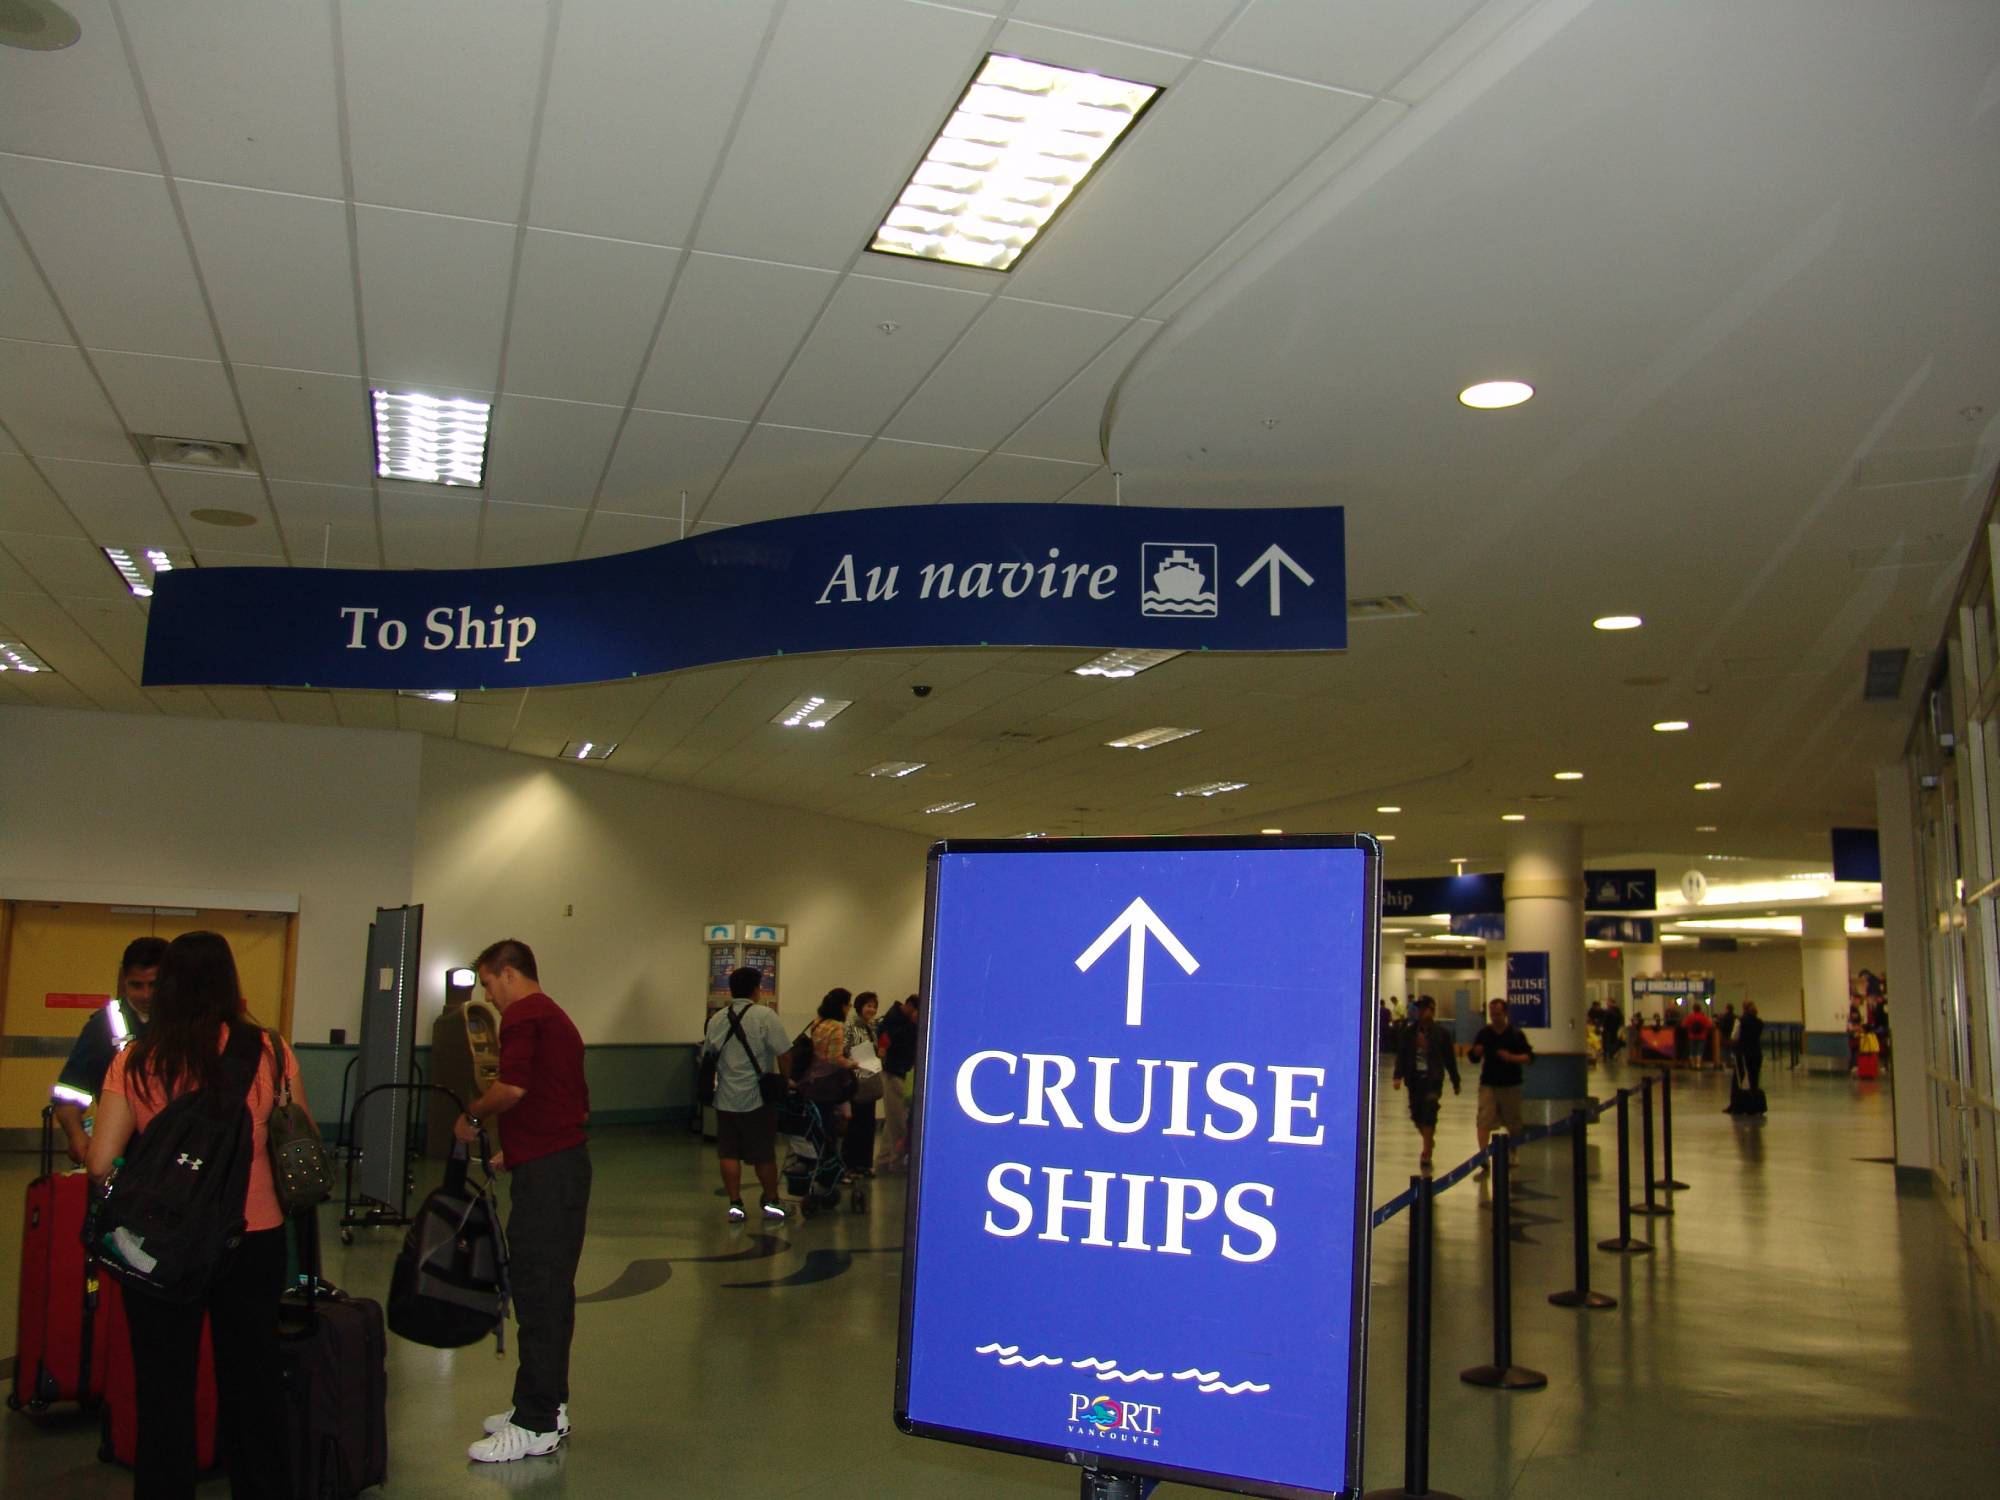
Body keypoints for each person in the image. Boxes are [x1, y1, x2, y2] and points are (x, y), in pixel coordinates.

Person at [86, 930, 302, 1500]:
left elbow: (101, 1159)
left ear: (168, 986)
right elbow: (297, 1144)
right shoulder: (272, 1052)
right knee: (253, 1385)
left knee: (163, 1390)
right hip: (252, 1238)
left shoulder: (136, 1058)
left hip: (163, 1244)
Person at [454, 940, 591, 1464]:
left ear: (507, 973)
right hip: (553, 1164)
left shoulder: (524, 1015)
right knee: (547, 1290)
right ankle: (548, 1406)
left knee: (539, 1292)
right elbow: (558, 1098)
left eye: (488, 984)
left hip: (551, 1179)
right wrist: (520, 1150)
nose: (487, 996)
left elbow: (510, 1089)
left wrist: (471, 1116)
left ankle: (535, 1422)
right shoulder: (552, 1016)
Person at [52, 936, 165, 1165]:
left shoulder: (190, 1025)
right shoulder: (101, 1026)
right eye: (136, 985)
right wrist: (76, 1134)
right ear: (124, 979)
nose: (145, 995)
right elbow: (70, 1091)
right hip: (120, 1153)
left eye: (154, 985)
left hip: (173, 1151)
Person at [701, 965, 791, 1224]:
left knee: (728, 1152)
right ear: (756, 989)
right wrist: (785, 1080)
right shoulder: (765, 1016)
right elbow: (784, 1053)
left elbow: (708, 1055)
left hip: (725, 1098)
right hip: (757, 1099)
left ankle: (735, 1205)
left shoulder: (717, 1019)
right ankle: (772, 1202)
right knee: (763, 1154)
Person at [1391, 997, 1460, 1171]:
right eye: (1419, 1009)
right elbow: (1402, 1055)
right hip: (1414, 1080)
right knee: (1416, 1114)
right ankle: (1428, 1140)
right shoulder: (1409, 1033)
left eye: (1425, 1009)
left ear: (1432, 1010)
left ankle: (1426, 1151)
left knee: (1430, 1110)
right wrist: (1397, 1076)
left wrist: (1455, 1080)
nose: (1422, 1013)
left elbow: (1449, 1059)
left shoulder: (1442, 1034)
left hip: (1433, 1079)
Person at [1467, 997, 1534, 1170]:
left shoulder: (1516, 1035)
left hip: (1511, 1084)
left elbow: (1529, 1057)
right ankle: (1483, 1155)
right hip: (1488, 1083)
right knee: (1484, 1119)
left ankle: (1513, 1153)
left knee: (1513, 1122)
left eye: (1498, 1014)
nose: (1494, 1017)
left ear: (1505, 1013)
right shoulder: (1485, 1033)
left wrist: (1511, 1057)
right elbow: (1473, 1057)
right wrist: (1476, 1052)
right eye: (1492, 1014)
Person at [876, 993, 921, 1173]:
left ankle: (884, 1159)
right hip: (894, 1073)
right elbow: (897, 1043)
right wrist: (913, 1025)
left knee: (892, 1119)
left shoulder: (896, 1019)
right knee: (899, 1122)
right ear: (911, 1008)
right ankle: (896, 1161)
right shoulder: (896, 1022)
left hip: (899, 1072)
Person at [842, 992, 882, 1179]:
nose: (871, 1009)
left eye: (874, 1006)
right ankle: (850, 1164)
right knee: (855, 1124)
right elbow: (844, 1049)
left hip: (869, 1078)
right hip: (855, 1079)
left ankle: (865, 1163)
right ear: (859, 1006)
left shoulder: (871, 1026)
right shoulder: (850, 1025)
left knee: (868, 1123)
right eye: (868, 1005)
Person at [1730, 999, 1766, 1113]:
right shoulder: (1760, 1022)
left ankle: (1742, 1106)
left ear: (1743, 1008)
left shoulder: (1740, 1021)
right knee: (1755, 1080)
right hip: (1757, 1052)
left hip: (1743, 1053)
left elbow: (1734, 1036)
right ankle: (1756, 1106)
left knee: (1742, 1080)